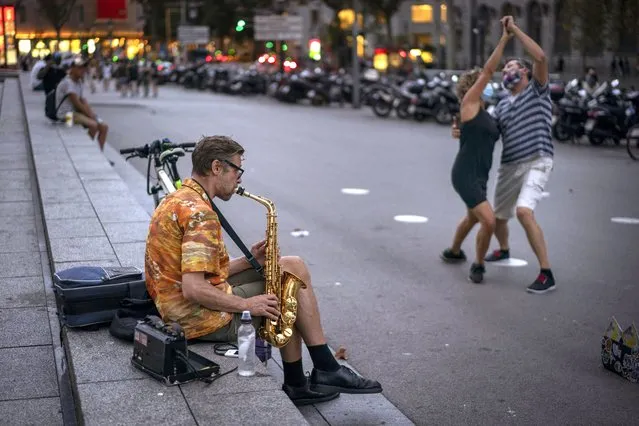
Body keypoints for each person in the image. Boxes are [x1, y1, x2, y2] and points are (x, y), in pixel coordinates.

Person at [145, 135, 382, 406]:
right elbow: (193, 288)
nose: (240, 178)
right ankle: (319, 371)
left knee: (291, 265)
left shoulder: (178, 198)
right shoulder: (200, 214)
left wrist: (249, 261)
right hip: (198, 319)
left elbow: (198, 273)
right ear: (216, 167)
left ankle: (305, 376)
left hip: (175, 309)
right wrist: (248, 304)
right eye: (237, 169)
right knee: (283, 285)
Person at [451, 16, 555, 294]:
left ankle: (546, 272)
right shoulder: (501, 107)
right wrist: (458, 129)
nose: (507, 71)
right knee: (496, 218)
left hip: (537, 159)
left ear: (526, 72)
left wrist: (514, 31)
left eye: (513, 67)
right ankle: (504, 250)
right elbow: (478, 126)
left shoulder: (538, 91)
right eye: (504, 68)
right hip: (510, 166)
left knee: (523, 211)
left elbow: (541, 56)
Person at [441, 19, 512, 283]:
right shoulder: (469, 104)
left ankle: (453, 251)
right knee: (488, 221)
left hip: (480, 173)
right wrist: (504, 39)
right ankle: (479, 265)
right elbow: (489, 70)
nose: (487, 83)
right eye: (481, 82)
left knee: (472, 218)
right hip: (465, 173)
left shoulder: (483, 112)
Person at [55, 56, 109, 151]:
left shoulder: (78, 82)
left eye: (84, 67)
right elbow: (77, 104)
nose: (83, 70)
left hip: (75, 114)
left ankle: (100, 153)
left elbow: (83, 101)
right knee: (93, 125)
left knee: (104, 127)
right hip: (65, 116)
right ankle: (87, 151)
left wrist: (92, 114)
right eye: (79, 68)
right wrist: (91, 116)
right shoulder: (68, 82)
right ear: (72, 68)